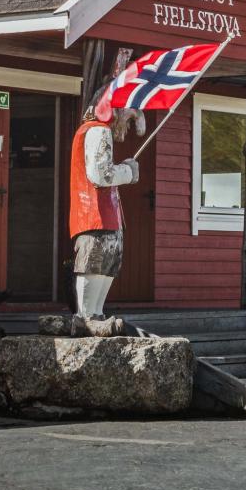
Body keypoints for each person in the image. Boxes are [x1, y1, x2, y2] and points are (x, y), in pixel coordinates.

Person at [68, 90, 143, 322]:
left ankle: (95, 317)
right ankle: (87, 319)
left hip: (106, 217)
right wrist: (129, 171)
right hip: (94, 216)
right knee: (94, 263)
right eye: (128, 118)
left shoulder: (97, 130)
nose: (129, 126)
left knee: (105, 266)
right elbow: (100, 175)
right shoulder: (97, 130)